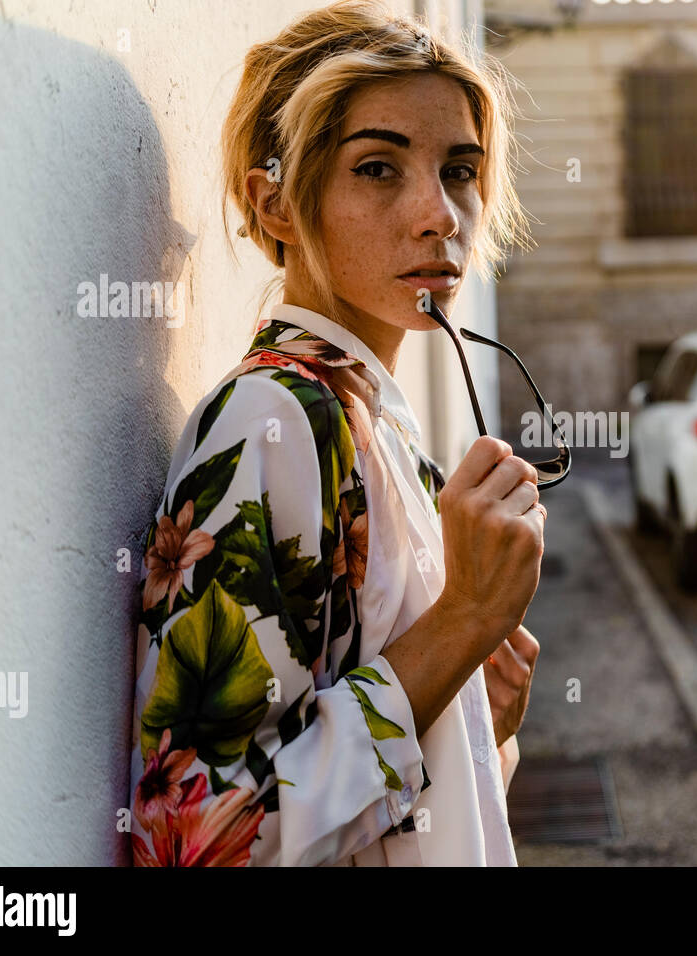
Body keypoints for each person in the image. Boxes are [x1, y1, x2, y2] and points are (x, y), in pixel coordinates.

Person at [127, 0, 544, 867]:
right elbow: (196, 841)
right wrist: (461, 622)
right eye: (379, 168)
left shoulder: (367, 417)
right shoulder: (271, 421)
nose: (440, 213)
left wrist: (474, 719)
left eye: (460, 170)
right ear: (275, 202)